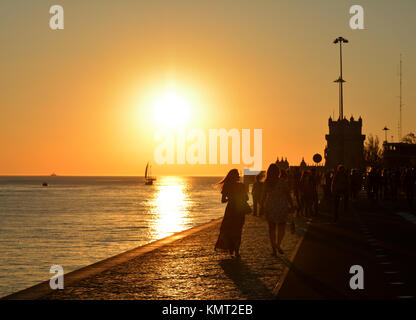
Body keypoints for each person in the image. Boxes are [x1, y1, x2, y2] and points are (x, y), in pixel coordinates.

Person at [214, 169, 250, 258]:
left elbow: (223, 200)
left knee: (228, 229)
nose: (239, 175)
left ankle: (230, 248)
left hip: (230, 210)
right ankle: (237, 251)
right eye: (238, 174)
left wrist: (230, 199)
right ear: (236, 176)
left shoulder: (227, 186)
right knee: (238, 230)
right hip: (240, 210)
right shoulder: (241, 186)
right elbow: (246, 198)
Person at [261, 164, 294, 256]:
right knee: (281, 228)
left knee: (271, 229)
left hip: (270, 206)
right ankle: (278, 245)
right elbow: (288, 195)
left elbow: (263, 197)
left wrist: (262, 208)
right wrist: (291, 205)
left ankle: (274, 249)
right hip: (281, 206)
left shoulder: (266, 183)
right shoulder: (282, 181)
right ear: (278, 172)